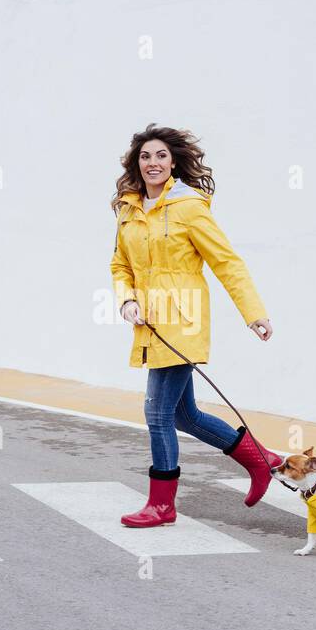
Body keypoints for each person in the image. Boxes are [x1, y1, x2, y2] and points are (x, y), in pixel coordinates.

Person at [108, 123, 281, 528]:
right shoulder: (128, 209)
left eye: (161, 156)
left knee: (157, 414)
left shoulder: (189, 207)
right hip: (150, 325)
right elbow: (120, 266)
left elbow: (226, 262)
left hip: (182, 321)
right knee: (184, 415)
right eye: (146, 156)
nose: (153, 163)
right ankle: (262, 460)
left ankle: (162, 505)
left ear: (173, 163)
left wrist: (253, 313)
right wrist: (128, 300)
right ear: (136, 162)